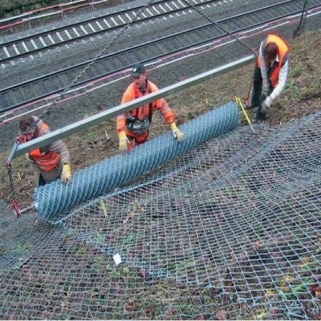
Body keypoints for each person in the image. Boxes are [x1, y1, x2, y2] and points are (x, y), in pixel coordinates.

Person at [116, 63, 184, 151]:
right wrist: (121, 133)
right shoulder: (129, 93)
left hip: (143, 131)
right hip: (129, 131)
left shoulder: (152, 90)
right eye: (134, 78)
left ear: (144, 75)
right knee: (127, 155)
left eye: (138, 78)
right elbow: (121, 113)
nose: (135, 81)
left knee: (142, 152)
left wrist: (173, 126)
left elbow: (164, 108)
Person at [18, 115, 72, 186]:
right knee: (43, 191)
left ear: (34, 127)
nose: (28, 137)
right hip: (40, 170)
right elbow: (22, 142)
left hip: (55, 167)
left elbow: (62, 148)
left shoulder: (45, 134)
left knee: (63, 186)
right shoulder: (23, 133)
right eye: (26, 135)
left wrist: (66, 166)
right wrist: (27, 152)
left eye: (30, 134)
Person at [248, 33, 290, 121]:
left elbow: (282, 83)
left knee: (270, 89)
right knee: (257, 79)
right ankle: (255, 102)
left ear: (274, 57)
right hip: (264, 60)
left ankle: (260, 115)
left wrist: (270, 99)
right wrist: (265, 83)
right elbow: (263, 67)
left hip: (277, 64)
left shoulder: (284, 58)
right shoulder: (263, 46)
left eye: (269, 60)